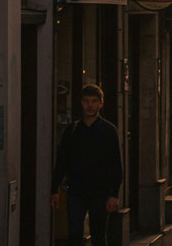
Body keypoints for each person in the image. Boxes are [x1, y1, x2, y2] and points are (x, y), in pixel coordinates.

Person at [50, 84, 123, 246]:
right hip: (76, 191)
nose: (90, 105)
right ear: (81, 103)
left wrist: (114, 194)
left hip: (100, 192)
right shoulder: (72, 130)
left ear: (100, 104)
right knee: (74, 235)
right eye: (86, 101)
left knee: (98, 235)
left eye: (94, 101)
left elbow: (116, 164)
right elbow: (62, 161)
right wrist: (54, 189)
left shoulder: (108, 130)